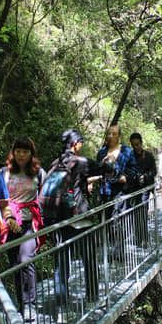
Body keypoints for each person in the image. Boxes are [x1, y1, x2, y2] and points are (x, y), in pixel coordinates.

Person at [44, 129, 106, 314]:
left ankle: (62, 309)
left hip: (59, 221)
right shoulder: (79, 162)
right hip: (80, 218)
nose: (82, 145)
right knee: (89, 259)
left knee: (61, 265)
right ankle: (92, 299)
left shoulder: (55, 164)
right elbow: (104, 169)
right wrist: (110, 168)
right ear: (75, 143)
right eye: (81, 142)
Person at [1, 136, 45, 323]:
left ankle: (30, 305)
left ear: (31, 154)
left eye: (25, 151)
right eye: (18, 151)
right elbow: (0, 199)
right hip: (9, 223)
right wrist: (9, 216)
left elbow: (43, 195)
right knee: (14, 264)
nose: (21, 155)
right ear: (13, 152)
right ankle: (21, 304)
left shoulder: (38, 173)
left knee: (26, 260)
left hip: (28, 224)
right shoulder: (4, 173)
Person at [96, 124, 139, 260]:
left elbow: (134, 169)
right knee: (108, 221)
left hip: (120, 191)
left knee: (117, 220)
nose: (111, 136)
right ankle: (113, 248)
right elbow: (98, 170)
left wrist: (125, 177)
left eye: (114, 134)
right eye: (109, 133)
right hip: (105, 190)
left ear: (119, 136)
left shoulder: (127, 151)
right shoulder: (102, 152)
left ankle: (118, 252)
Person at [129, 133, 156, 247]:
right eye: (134, 145)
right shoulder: (130, 157)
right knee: (136, 214)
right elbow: (127, 171)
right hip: (134, 189)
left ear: (141, 143)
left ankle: (144, 238)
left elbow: (154, 171)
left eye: (138, 144)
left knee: (143, 213)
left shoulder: (148, 156)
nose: (137, 147)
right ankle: (138, 239)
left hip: (145, 188)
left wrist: (145, 176)